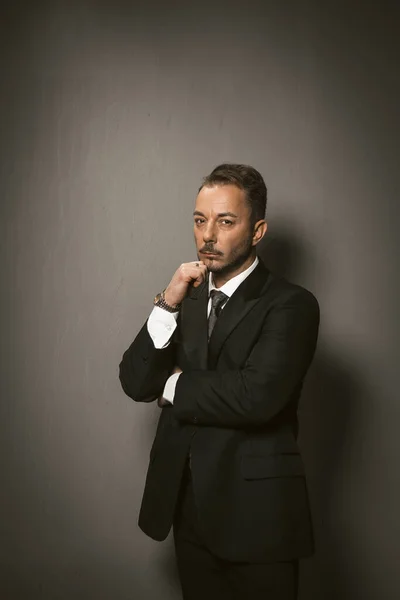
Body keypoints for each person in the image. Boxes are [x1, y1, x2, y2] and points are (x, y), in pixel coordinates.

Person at [119, 163, 320, 600]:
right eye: (200, 220)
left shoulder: (292, 305)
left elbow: (255, 398)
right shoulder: (185, 297)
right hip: (188, 512)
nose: (208, 234)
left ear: (258, 230)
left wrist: (172, 386)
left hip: (259, 522)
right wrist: (167, 300)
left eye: (225, 221)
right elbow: (136, 382)